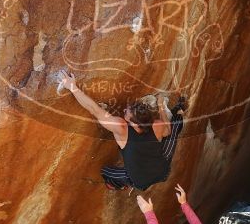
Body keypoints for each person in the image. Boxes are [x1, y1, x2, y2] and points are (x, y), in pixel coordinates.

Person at [58, 70, 186, 190]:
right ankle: (179, 111)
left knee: (106, 172)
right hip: (163, 170)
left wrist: (72, 87)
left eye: (126, 113)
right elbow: (168, 131)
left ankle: (119, 185)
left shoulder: (122, 128)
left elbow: (94, 109)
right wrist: (161, 106)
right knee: (173, 131)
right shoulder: (157, 125)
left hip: (140, 181)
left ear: (134, 123)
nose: (124, 110)